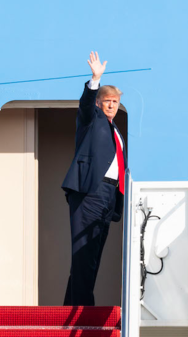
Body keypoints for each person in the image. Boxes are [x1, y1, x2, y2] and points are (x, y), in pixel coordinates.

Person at [61, 51, 127, 306]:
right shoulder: (92, 120)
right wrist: (95, 80)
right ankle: (85, 310)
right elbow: (86, 104)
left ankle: (72, 308)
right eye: (107, 101)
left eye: (115, 101)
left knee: (92, 253)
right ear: (100, 103)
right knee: (84, 253)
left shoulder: (115, 130)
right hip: (91, 192)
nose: (111, 105)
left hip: (109, 195)